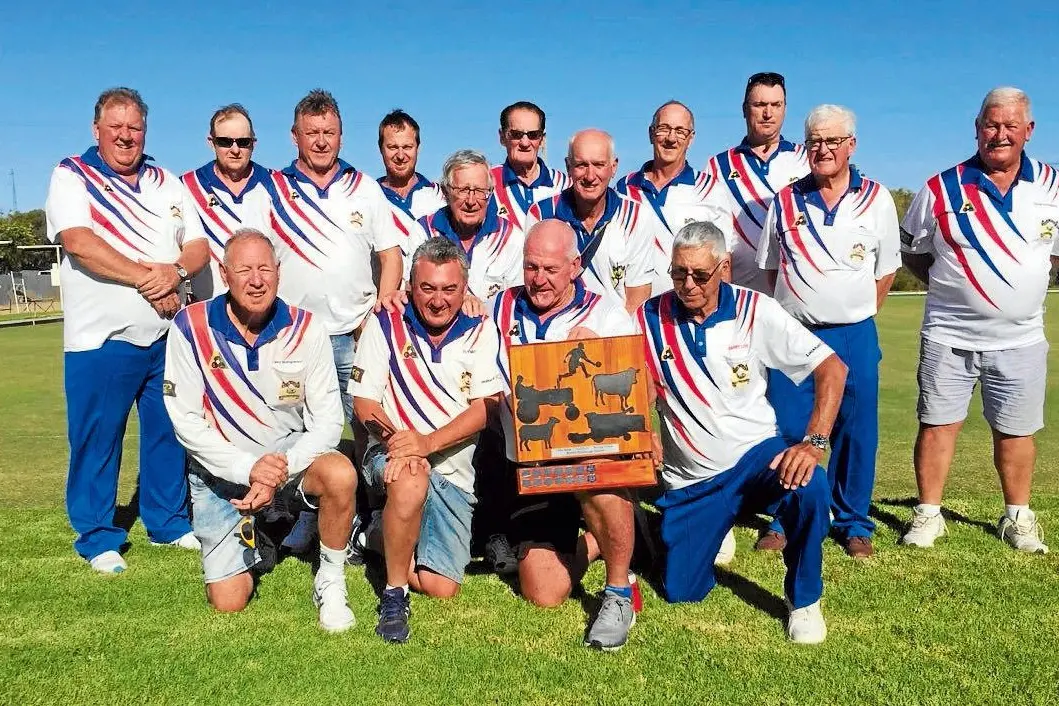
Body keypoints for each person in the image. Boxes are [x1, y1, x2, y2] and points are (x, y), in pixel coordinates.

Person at [640, 221, 846, 644]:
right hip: (692, 480)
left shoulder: (756, 309)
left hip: (757, 457)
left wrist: (813, 443)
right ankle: (701, 526)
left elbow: (832, 368)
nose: (688, 284)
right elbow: (630, 374)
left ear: (724, 268)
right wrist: (645, 426)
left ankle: (804, 601)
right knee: (682, 592)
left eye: (700, 274)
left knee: (810, 485)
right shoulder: (648, 316)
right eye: (679, 273)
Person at [45, 87, 209, 574]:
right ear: (97, 129)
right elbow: (79, 242)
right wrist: (149, 278)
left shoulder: (166, 181)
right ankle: (97, 535)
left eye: (134, 127)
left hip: (165, 336)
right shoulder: (71, 173)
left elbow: (197, 246)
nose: (125, 135)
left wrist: (175, 274)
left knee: (167, 432)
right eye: (115, 125)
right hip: (101, 338)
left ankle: (167, 522)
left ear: (145, 131)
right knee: (98, 437)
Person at [163, 229, 358, 631]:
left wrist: (278, 469)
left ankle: (331, 581)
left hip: (286, 458)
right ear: (224, 273)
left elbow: (327, 422)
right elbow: (184, 419)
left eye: (264, 268)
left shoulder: (307, 328)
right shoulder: (190, 324)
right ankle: (276, 526)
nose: (256, 280)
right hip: (221, 471)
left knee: (340, 473)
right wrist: (247, 469)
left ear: (279, 273)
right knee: (228, 601)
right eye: (244, 269)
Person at [900, 87, 1059, 553]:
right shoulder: (939, 188)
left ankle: (1018, 518)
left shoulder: (1052, 185)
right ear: (976, 129)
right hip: (949, 335)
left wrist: (1021, 289)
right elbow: (914, 254)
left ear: (1029, 131)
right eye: (991, 125)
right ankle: (928, 514)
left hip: (1022, 338)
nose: (1000, 134)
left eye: (1011, 126)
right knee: (937, 424)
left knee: (1016, 430)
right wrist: (960, 292)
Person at [489, 219, 640, 651]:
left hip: (589, 460)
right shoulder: (498, 307)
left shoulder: (606, 312)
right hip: (530, 466)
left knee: (600, 483)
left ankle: (617, 592)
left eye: (551, 270)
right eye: (531, 267)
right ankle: (603, 542)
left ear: (575, 266)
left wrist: (601, 352)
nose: (538, 279)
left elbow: (630, 392)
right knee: (543, 591)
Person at [756, 105, 900, 558]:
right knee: (790, 427)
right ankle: (785, 517)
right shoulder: (784, 199)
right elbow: (769, 270)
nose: (823, 149)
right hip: (796, 336)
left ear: (851, 145)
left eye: (833, 141)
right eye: (815, 141)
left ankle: (854, 521)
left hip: (854, 333)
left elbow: (887, 270)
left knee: (857, 431)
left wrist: (851, 311)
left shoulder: (876, 198)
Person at [268, 89, 403, 551]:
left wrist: (380, 310)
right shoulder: (274, 190)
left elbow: (390, 254)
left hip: (353, 334)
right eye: (312, 133)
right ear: (295, 136)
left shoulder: (364, 187)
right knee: (300, 432)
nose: (321, 142)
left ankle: (374, 519)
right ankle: (307, 516)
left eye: (329, 132)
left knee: (367, 432)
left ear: (342, 135)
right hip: (295, 341)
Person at [351, 237, 504, 643]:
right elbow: (364, 404)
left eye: (450, 289)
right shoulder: (385, 322)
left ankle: (371, 533)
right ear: (410, 287)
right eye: (428, 288)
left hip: (451, 468)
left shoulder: (481, 328)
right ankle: (394, 593)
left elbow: (485, 408)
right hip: (394, 455)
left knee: (442, 587)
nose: (438, 300)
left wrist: (428, 442)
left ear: (464, 288)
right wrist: (400, 443)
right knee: (412, 477)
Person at [525, 130, 655, 313]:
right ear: (568, 166)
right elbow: (535, 288)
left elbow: (636, 299)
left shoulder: (636, 216)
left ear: (614, 166)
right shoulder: (541, 214)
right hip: (559, 333)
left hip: (615, 334)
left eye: (599, 164)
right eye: (581, 165)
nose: (590, 176)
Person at [706, 72, 809, 293]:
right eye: (760, 104)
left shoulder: (806, 160)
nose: (768, 113)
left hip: (796, 295)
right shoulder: (719, 166)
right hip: (741, 295)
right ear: (745, 109)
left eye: (776, 105)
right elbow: (713, 238)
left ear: (785, 109)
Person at [616, 100, 733, 295]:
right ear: (651, 133)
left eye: (680, 131)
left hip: (688, 309)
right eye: (664, 129)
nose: (671, 138)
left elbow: (723, 262)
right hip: (636, 309)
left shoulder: (710, 189)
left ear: (691, 138)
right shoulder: (625, 187)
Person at [181, 104, 274, 301]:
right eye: (225, 141)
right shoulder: (186, 187)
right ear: (211, 142)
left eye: (243, 142)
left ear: (253, 144)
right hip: (208, 311)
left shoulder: (275, 184)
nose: (235, 150)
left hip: (264, 311)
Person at [418, 150, 525, 305]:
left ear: (490, 194)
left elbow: (514, 304)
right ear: (446, 192)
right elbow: (412, 289)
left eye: (480, 191)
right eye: (463, 190)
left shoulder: (512, 238)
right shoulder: (423, 231)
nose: (471, 200)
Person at [376, 109, 446, 281]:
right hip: (385, 299)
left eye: (407, 147)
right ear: (381, 149)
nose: (400, 155)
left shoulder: (440, 196)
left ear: (418, 148)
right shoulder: (367, 195)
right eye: (392, 147)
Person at [489, 101, 570, 231]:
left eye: (533, 135)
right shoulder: (486, 182)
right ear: (502, 137)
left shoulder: (564, 185)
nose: (525, 143)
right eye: (516, 134)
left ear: (542, 139)